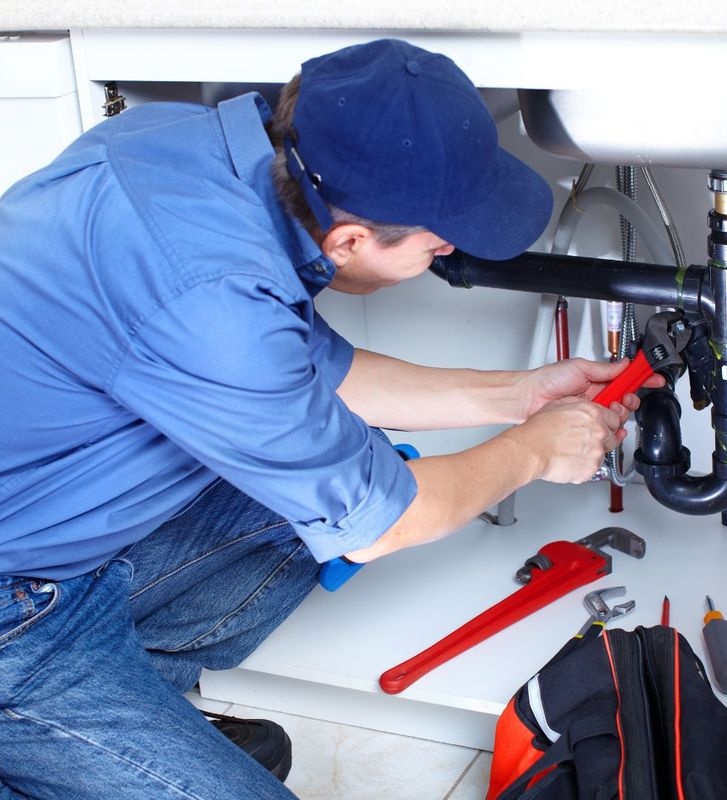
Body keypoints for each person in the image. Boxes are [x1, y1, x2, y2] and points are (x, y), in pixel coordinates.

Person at [0, 39, 654, 799]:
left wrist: (520, 394)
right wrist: (536, 452)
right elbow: (385, 523)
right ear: (348, 240)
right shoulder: (213, 302)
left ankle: (115, 719)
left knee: (327, 489)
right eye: (438, 243)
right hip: (17, 616)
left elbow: (309, 373)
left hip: (50, 535)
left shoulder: (192, 149)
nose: (449, 251)